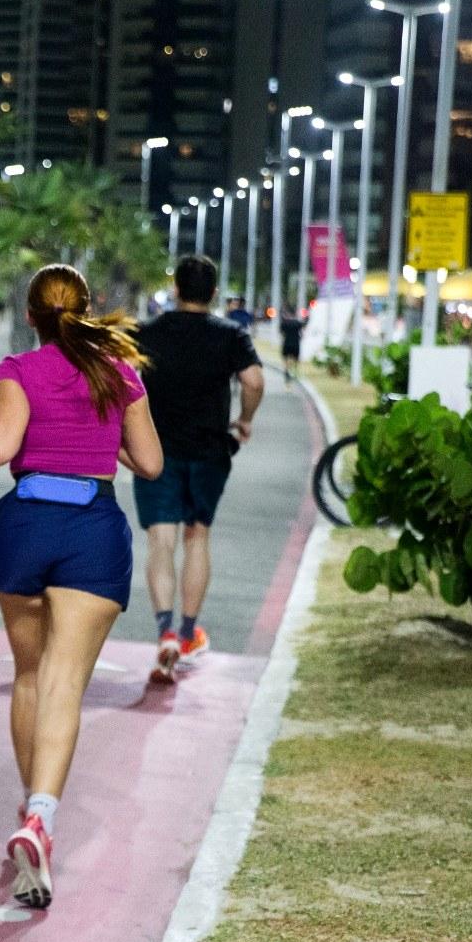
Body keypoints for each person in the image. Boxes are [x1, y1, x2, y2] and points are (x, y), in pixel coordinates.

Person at [0, 263, 163, 909]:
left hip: (25, 526)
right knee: (64, 683)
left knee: (29, 676)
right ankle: (42, 816)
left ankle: (30, 812)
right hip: (91, 534)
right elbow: (152, 464)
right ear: (88, 307)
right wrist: (110, 440)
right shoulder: (118, 374)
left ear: (30, 316)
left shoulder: (15, 371)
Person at [134, 255, 264, 684]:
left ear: (176, 290)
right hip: (209, 450)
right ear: (212, 293)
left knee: (160, 541)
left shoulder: (146, 333)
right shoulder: (230, 335)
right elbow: (254, 381)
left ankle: (164, 630)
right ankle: (189, 634)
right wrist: (244, 420)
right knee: (197, 537)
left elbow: (121, 379)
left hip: (157, 450)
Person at [278, 309, 305, 386]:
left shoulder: (284, 323)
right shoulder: (298, 323)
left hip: (286, 343)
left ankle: (287, 371)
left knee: (286, 358)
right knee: (296, 358)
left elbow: (281, 333)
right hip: (296, 343)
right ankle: (295, 371)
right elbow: (302, 333)